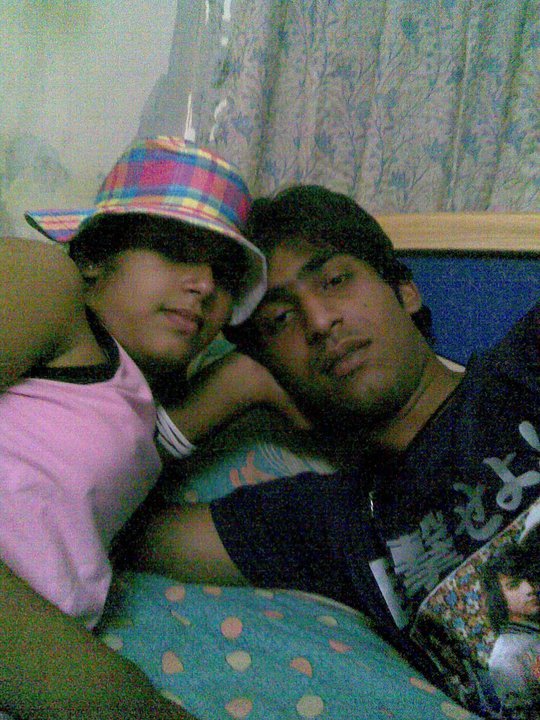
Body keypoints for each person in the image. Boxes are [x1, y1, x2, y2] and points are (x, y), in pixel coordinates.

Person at [118, 185, 540, 719]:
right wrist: (234, 387)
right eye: (279, 320)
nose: (318, 322)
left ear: (404, 291)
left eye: (336, 280)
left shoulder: (524, 366)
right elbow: (94, 521)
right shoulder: (331, 524)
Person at [0, 135, 266, 720]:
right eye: (175, 249)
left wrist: (248, 381)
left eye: (225, 275)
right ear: (94, 257)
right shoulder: (51, 284)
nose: (205, 285)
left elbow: (145, 445)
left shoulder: (133, 406)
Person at [481, 543, 540, 716]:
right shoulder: (505, 658)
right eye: (514, 585)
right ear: (498, 597)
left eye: (530, 578)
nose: (529, 589)